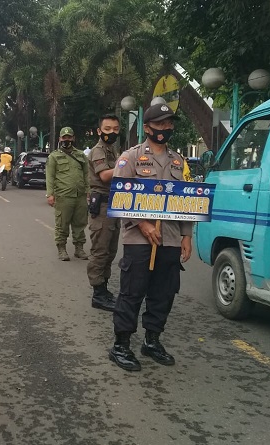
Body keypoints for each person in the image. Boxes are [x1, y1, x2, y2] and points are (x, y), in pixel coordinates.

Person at [108, 104, 193, 372]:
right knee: (132, 292)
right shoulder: (129, 158)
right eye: (160, 124)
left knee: (163, 293)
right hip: (138, 239)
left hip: (169, 238)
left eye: (169, 124)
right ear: (147, 128)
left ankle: (152, 340)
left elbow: (187, 201)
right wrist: (143, 224)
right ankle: (121, 345)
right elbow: (120, 197)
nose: (165, 129)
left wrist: (186, 236)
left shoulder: (179, 161)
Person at [86, 114, 122, 312]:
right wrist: (126, 164)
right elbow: (105, 175)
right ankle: (98, 294)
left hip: (113, 205)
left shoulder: (112, 150)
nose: (112, 132)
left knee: (110, 250)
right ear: (99, 131)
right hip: (101, 207)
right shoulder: (98, 150)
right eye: (107, 129)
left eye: (115, 129)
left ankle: (104, 290)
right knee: (100, 250)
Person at [45, 127, 90, 261]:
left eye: (69, 137)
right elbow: (50, 176)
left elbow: (87, 174)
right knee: (62, 224)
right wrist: (50, 194)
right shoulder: (54, 156)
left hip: (80, 196)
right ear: (60, 139)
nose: (67, 140)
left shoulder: (81, 155)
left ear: (73, 138)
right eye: (64, 138)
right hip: (63, 196)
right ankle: (62, 249)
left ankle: (79, 249)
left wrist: (88, 191)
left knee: (80, 224)